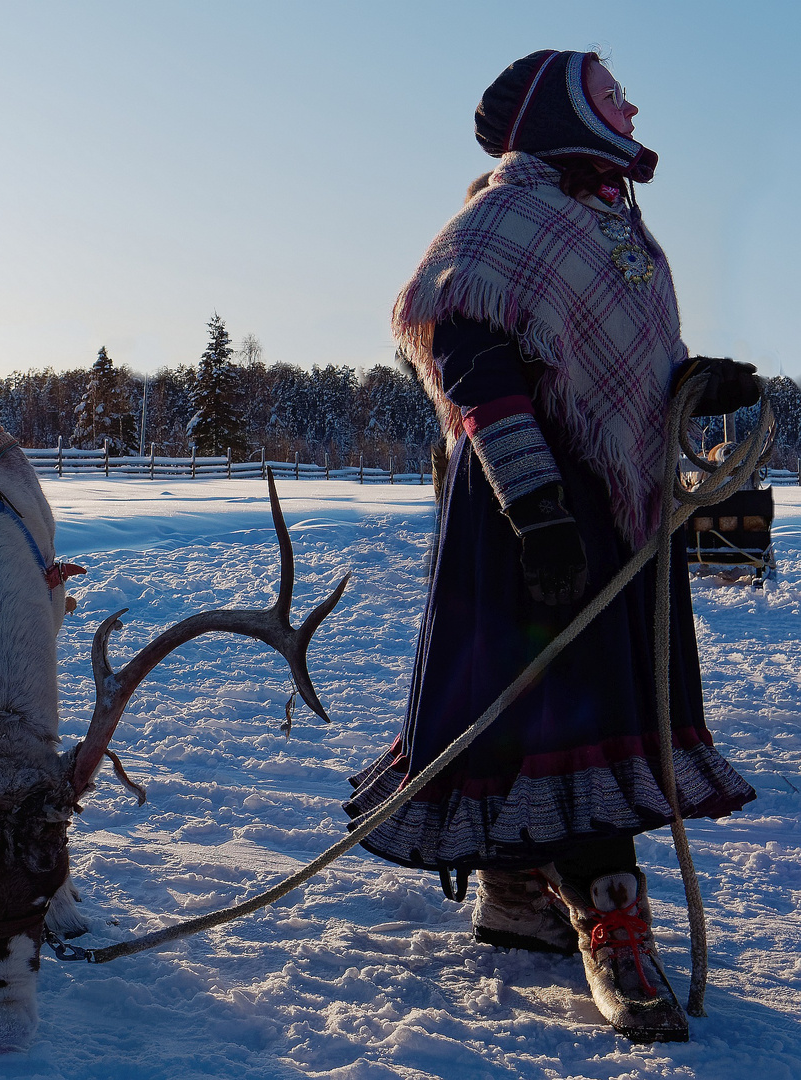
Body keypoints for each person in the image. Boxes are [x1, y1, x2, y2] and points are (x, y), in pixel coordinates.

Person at [345, 50, 760, 1044]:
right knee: (561, 706)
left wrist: (690, 383)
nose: (630, 102)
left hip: (610, 512)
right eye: (610, 88)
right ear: (565, 106)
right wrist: (537, 509)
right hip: (534, 518)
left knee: (590, 703)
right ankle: (610, 923)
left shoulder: (607, 219)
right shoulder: (504, 217)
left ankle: (519, 892)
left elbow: (607, 365)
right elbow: (469, 361)